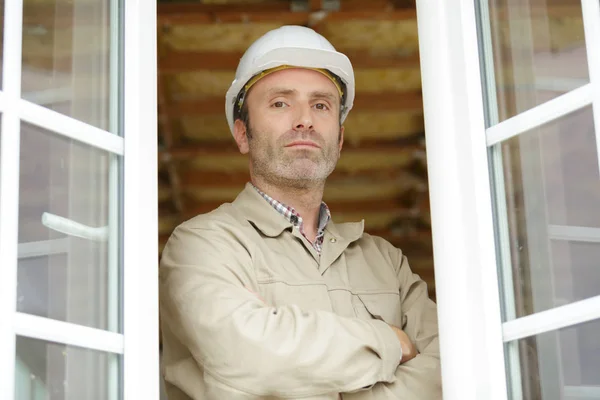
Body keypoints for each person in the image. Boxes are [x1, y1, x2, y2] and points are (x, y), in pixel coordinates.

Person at [159, 25, 441, 400]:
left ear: (338, 139)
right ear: (243, 134)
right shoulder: (202, 246)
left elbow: (448, 369)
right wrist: (391, 342)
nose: (304, 119)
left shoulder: (387, 263)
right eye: (281, 103)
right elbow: (249, 357)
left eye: (321, 105)